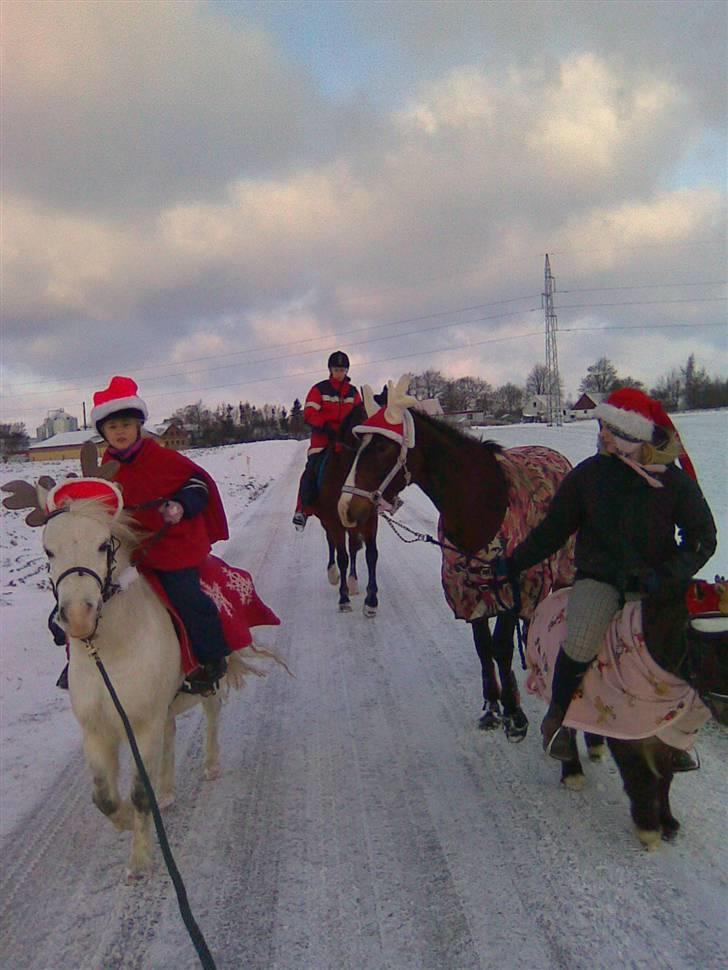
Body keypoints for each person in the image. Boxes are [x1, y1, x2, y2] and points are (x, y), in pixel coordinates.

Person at [501, 387, 717, 766]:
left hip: (658, 584)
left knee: (690, 647)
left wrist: (667, 575)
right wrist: (515, 562)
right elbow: (554, 530)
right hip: (600, 580)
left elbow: (703, 539)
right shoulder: (589, 477)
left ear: (638, 436)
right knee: (581, 640)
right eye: (603, 427)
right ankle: (558, 720)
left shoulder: (673, 482)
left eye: (612, 429)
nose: (602, 435)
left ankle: (678, 734)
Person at [59, 375, 231, 693]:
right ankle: (76, 663)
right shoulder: (103, 472)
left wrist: (180, 505)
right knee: (83, 595)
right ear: (103, 433)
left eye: (126, 423)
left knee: (188, 598)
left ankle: (211, 659)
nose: (120, 431)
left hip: (170, 547)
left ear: (138, 425)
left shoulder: (165, 459)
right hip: (127, 552)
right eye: (112, 427)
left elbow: (197, 484)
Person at [292, 351, 362, 530]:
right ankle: (302, 510)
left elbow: (360, 415)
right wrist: (324, 426)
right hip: (323, 442)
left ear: (347, 371)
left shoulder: (353, 393)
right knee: (311, 471)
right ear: (330, 370)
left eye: (343, 369)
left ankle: (380, 501)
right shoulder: (319, 389)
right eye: (337, 369)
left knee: (367, 465)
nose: (340, 373)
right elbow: (309, 413)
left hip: (347, 442)